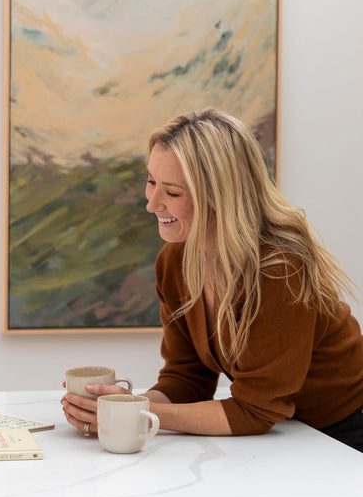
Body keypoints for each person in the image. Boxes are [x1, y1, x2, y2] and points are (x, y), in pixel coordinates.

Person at [62, 107, 363, 452]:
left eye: (172, 192)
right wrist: (123, 408)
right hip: (291, 430)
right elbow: (187, 378)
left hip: (347, 427)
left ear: (220, 196)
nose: (152, 204)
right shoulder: (175, 261)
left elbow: (256, 411)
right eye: (151, 182)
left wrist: (142, 414)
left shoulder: (279, 269)